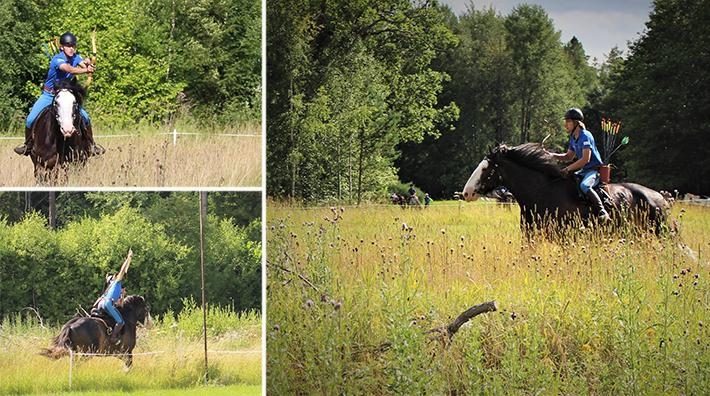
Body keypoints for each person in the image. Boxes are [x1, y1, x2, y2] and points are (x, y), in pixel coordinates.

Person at [15, 32, 103, 156]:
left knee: (85, 117)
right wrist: (86, 70)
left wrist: (88, 64)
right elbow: (69, 69)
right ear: (62, 47)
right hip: (49, 95)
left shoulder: (75, 57)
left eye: (73, 46)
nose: (71, 48)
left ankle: (91, 145)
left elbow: (82, 63)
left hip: (65, 95)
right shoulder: (58, 59)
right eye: (68, 46)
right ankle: (28, 145)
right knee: (30, 119)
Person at [548, 108, 611, 222]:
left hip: (593, 170)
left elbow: (585, 159)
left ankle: (603, 212)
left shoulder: (585, 136)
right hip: (583, 171)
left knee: (584, 186)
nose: (565, 125)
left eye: (568, 122)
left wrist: (567, 169)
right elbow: (568, 156)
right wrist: (551, 155)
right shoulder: (573, 137)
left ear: (575, 123)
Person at [95, 249, 133, 344]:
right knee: (120, 322)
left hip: (101, 303)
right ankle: (113, 338)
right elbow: (123, 270)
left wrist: (123, 295)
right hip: (107, 303)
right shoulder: (116, 282)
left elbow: (120, 305)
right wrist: (129, 258)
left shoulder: (112, 286)